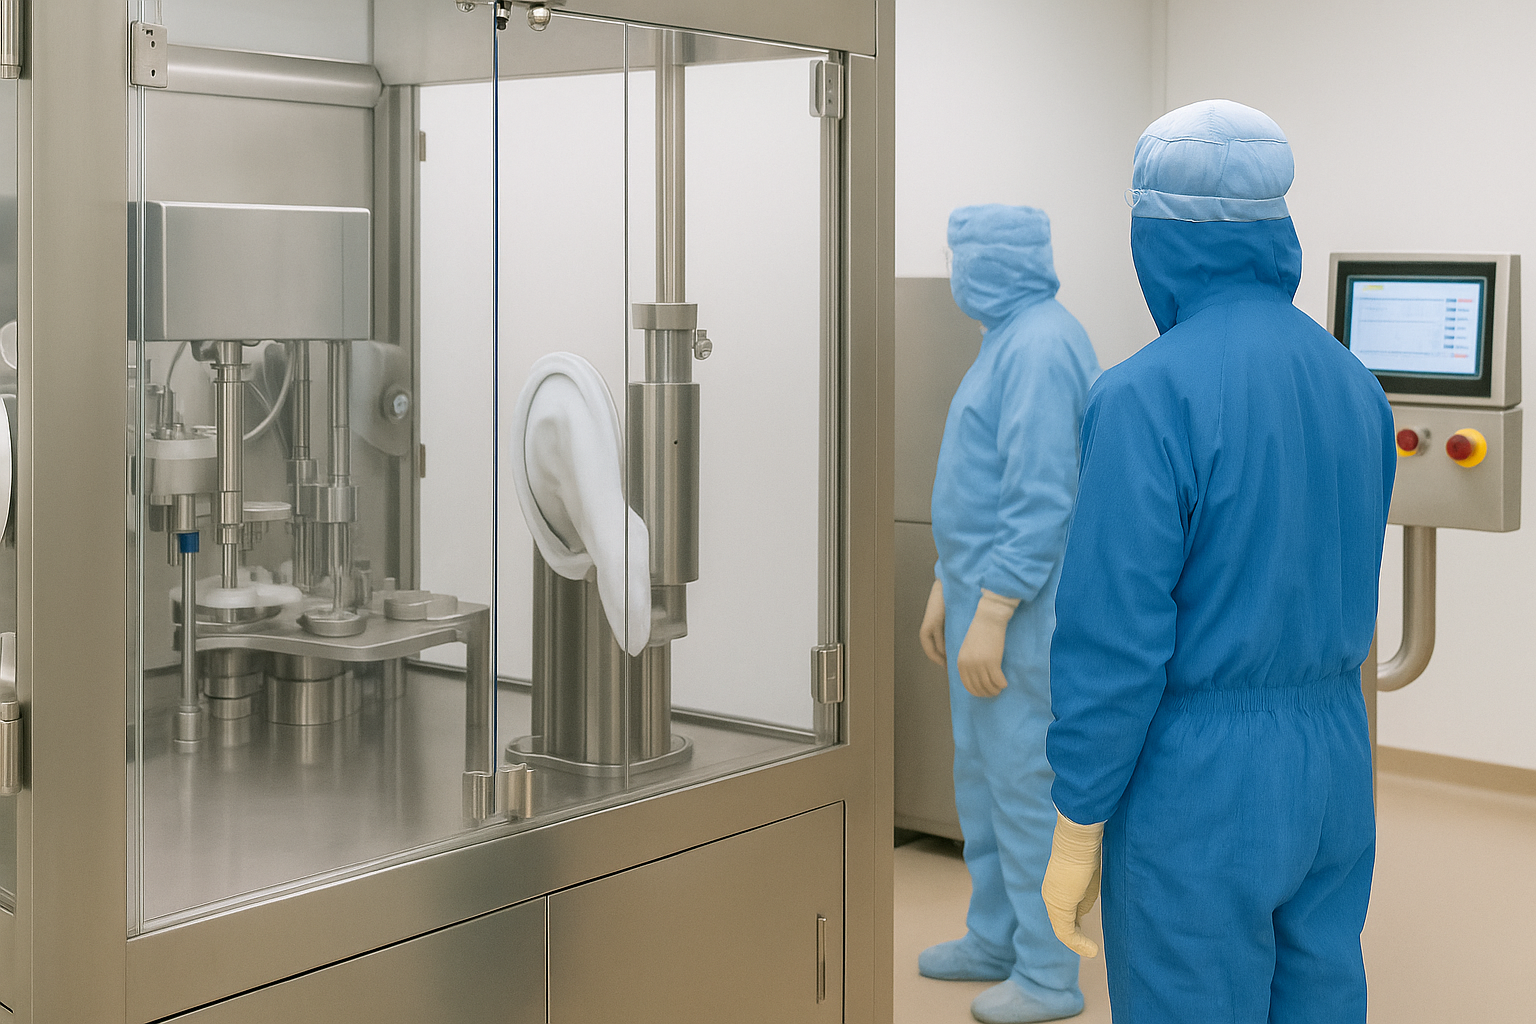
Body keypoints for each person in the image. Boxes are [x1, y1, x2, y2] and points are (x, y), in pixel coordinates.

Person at [1040, 100, 1395, 1023]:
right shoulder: (1353, 382)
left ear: (1153, 240)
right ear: (1279, 234)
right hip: (1334, 758)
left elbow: (1115, 637)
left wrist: (1080, 815)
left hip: (1199, 781)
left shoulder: (1144, 396)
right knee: (1320, 994)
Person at [918, 204, 1100, 1024]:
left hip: (1024, 614)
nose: (957, 272)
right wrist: (945, 585)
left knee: (1026, 789)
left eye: (965, 256)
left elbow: (1041, 496)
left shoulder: (1042, 345)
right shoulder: (1005, 340)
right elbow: (978, 483)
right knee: (982, 784)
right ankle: (994, 937)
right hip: (977, 596)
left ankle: (1048, 972)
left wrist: (992, 607)